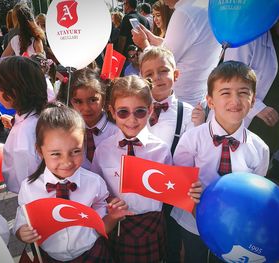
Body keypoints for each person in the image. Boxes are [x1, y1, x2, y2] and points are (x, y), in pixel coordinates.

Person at [91, 75, 202, 262]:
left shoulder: (161, 150)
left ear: (150, 110)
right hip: (118, 225)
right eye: (123, 112)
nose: (132, 120)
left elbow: (171, 189)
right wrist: (110, 200)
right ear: (111, 111)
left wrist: (189, 190)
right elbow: (96, 188)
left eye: (140, 112)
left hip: (151, 224)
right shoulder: (103, 150)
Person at [172, 61, 270, 262]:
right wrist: (192, 202)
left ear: (252, 102)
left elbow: (255, 194)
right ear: (210, 101)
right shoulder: (192, 138)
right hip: (193, 222)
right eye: (225, 93)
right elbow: (178, 181)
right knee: (193, 257)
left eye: (243, 93)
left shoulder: (260, 149)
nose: (235, 100)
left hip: (233, 227)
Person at [14, 102, 131, 262]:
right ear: (40, 151)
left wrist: (112, 216)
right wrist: (22, 231)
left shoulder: (94, 183)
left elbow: (99, 217)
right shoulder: (29, 187)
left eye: (75, 151)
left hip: (92, 252)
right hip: (50, 257)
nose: (67, 162)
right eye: (56, 154)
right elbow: (23, 216)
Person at [224, 0, 279, 196]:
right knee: (241, 173)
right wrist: (257, 108)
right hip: (250, 120)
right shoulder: (250, 37)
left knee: (263, 171)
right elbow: (229, 77)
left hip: (278, 121)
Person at [139, 45, 204, 262]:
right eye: (149, 74)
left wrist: (198, 125)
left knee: (171, 244)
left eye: (163, 71)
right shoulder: (135, 109)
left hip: (171, 192)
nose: (157, 78)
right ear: (142, 78)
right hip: (140, 190)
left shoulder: (187, 114)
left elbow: (191, 155)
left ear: (176, 74)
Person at [132, 0, 221, 107]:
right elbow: (188, 45)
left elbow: (161, 61)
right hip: (198, 100)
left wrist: (144, 43)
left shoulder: (185, 12)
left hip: (179, 103)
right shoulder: (206, 7)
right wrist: (153, 39)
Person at [0, 56, 48, 194]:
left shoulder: (26, 134)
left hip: (30, 199)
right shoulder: (36, 119)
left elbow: (27, 178)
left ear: (13, 93)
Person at [57, 67, 118, 170]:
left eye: (93, 100)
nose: (86, 108)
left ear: (103, 98)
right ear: (70, 102)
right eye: (78, 102)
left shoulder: (117, 132)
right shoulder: (66, 133)